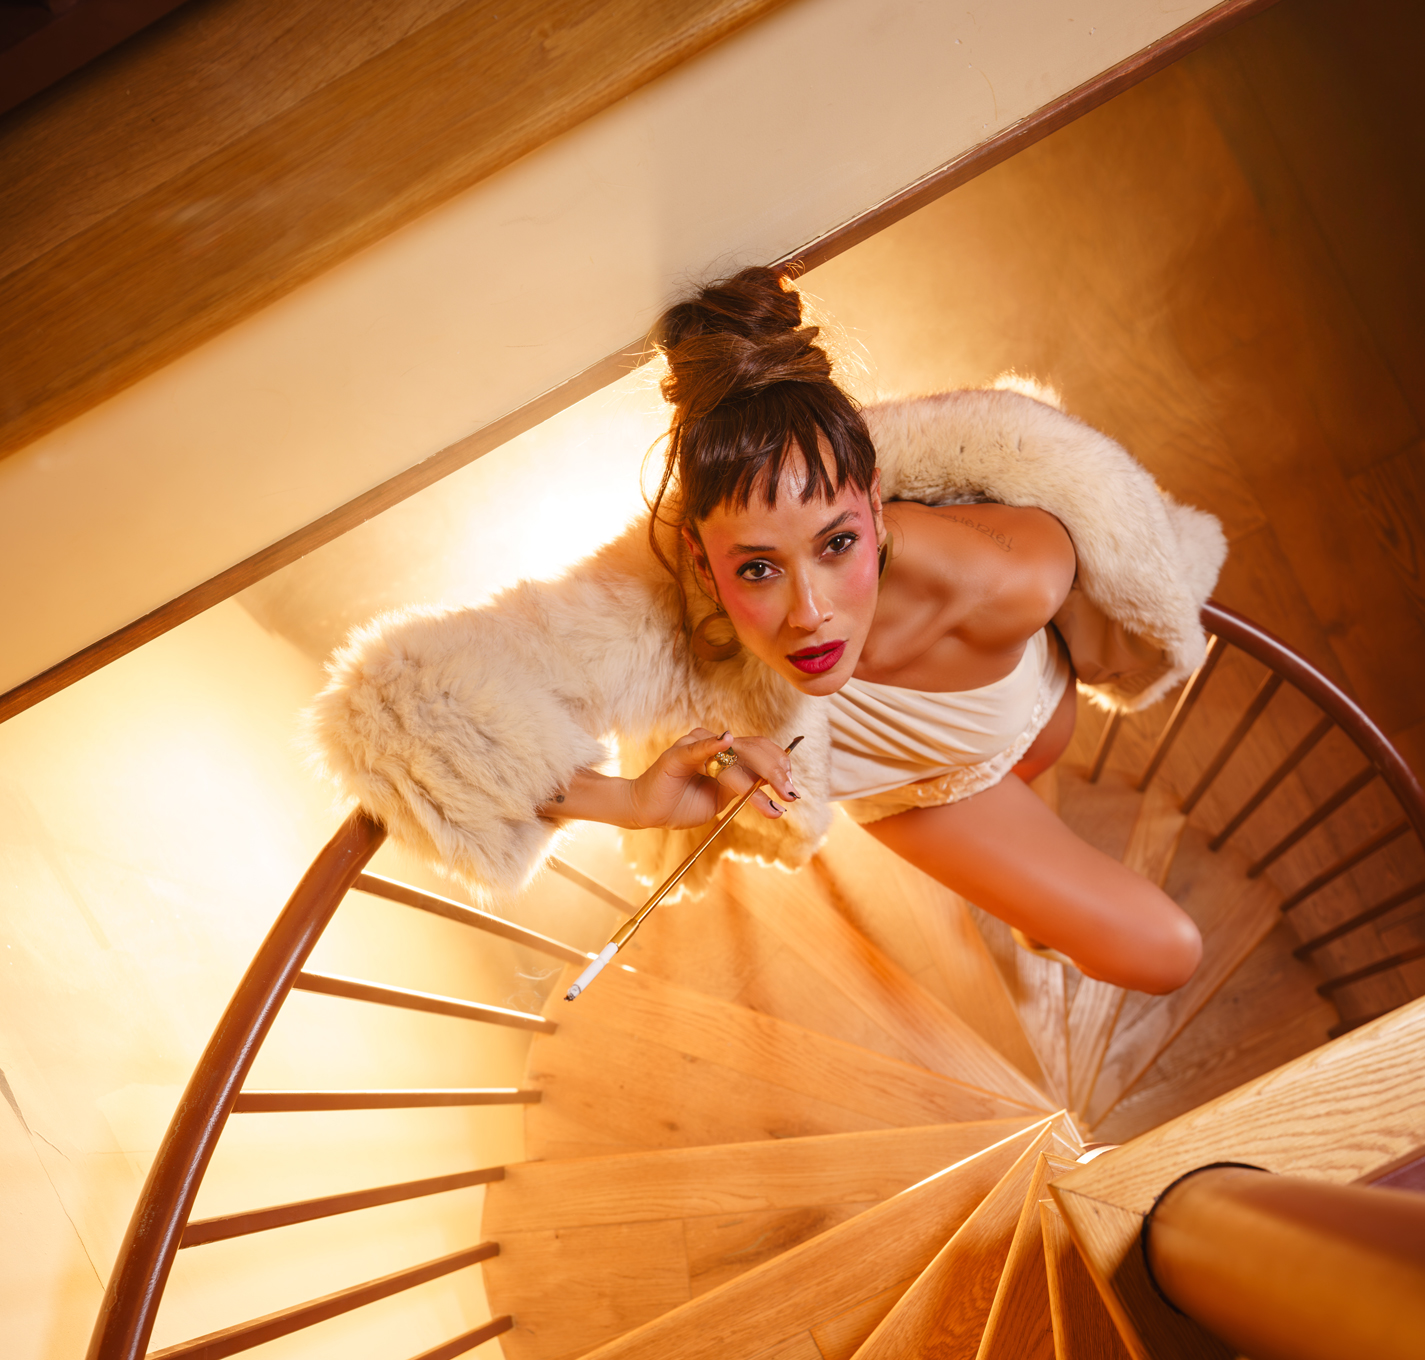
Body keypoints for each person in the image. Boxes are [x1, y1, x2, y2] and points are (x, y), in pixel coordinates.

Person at [313, 269, 1225, 994]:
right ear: (705, 568)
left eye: (837, 544)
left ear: (875, 505)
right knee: (1167, 953)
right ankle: (1040, 905)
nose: (809, 613)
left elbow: (1108, 567)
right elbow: (413, 713)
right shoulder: (660, 612)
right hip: (933, 796)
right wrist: (627, 802)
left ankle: (1039, 899)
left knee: (1044, 772)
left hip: (1038, 705)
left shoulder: (1018, 572)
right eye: (757, 568)